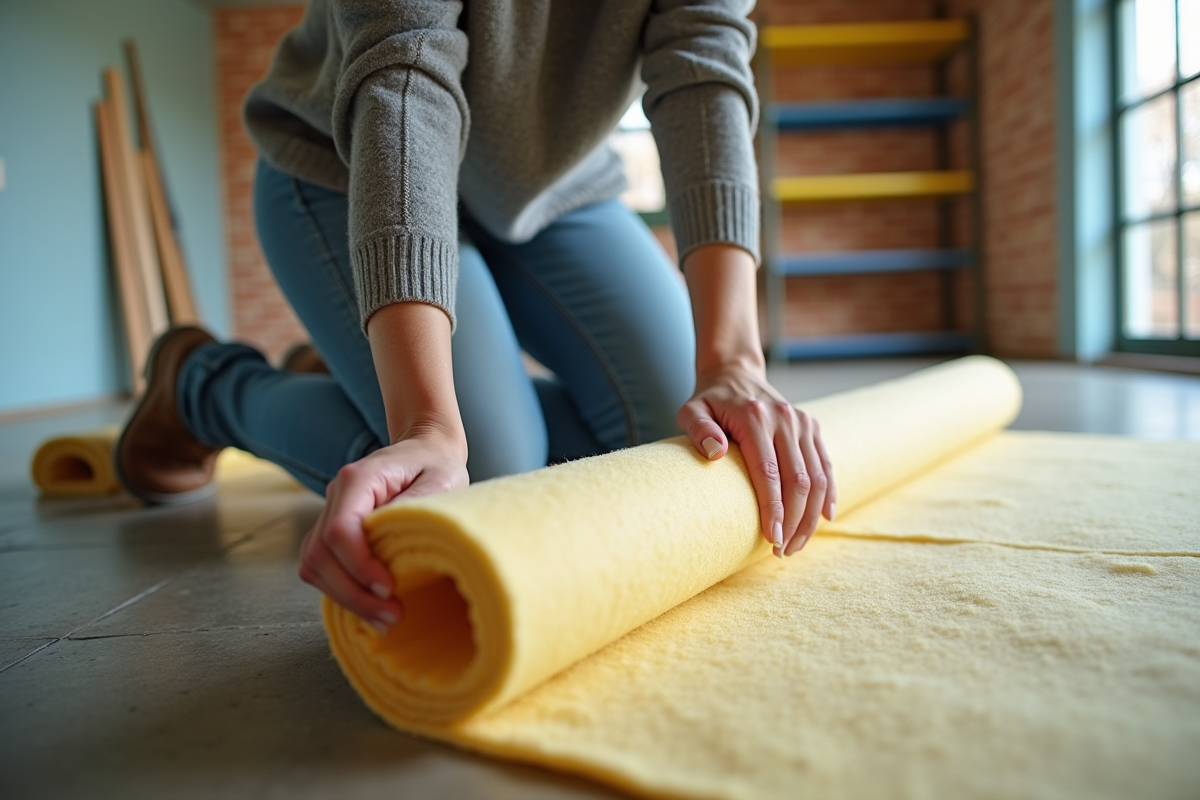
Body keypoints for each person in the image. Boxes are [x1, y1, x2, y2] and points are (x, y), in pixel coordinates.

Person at [115, 0, 836, 637]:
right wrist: (429, 424)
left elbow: (704, 62)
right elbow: (406, 73)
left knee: (691, 437)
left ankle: (355, 370)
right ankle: (206, 386)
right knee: (490, 476)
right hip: (346, 164)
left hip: (551, 192)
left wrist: (732, 363)